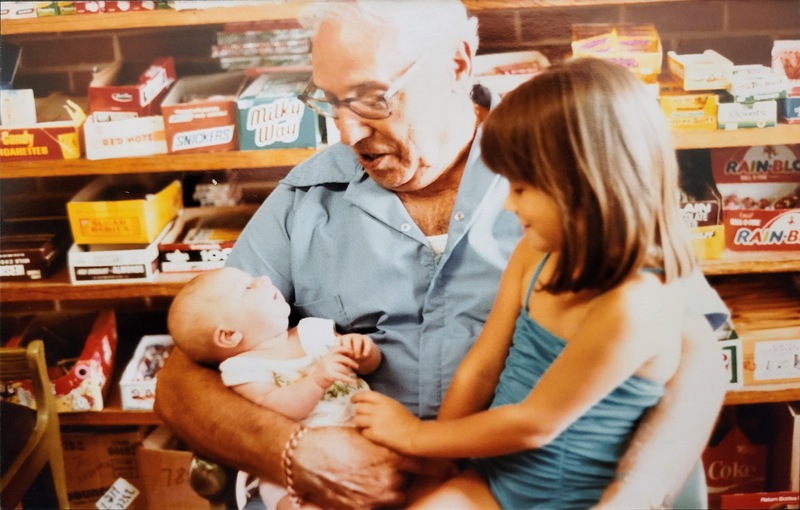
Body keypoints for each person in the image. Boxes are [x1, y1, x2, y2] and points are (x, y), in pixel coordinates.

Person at [154, 2, 730, 508]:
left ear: (457, 63)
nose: (348, 131)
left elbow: (695, 352)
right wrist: (294, 452)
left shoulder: (569, 161)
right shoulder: (306, 195)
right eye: (330, 102)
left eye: (372, 97)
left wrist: (634, 493)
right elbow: (187, 366)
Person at [352, 56, 699, 509]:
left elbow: (535, 423)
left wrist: (417, 436)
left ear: (585, 184)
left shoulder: (634, 305)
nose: (507, 206)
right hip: (491, 481)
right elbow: (481, 368)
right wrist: (440, 463)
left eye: (520, 188)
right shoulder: (535, 253)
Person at [166, 267, 381, 509]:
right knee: (281, 497)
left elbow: (367, 367)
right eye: (247, 288)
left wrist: (363, 351)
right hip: (307, 462)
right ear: (228, 335)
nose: (265, 279)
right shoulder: (242, 368)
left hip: (366, 432)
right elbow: (280, 407)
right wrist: (317, 380)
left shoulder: (313, 331)